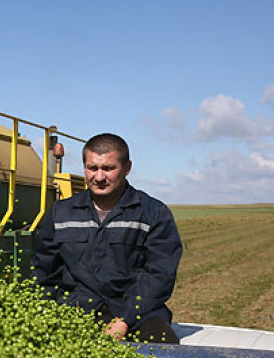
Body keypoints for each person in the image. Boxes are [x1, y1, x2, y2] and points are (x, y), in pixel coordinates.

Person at [31, 133, 183, 343]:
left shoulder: (152, 213)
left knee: (164, 351)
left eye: (108, 169)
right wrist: (43, 313)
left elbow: (159, 274)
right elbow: (44, 273)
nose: (99, 177)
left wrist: (126, 319)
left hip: (137, 313)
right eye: (92, 168)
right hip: (76, 311)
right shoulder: (61, 213)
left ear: (127, 168)